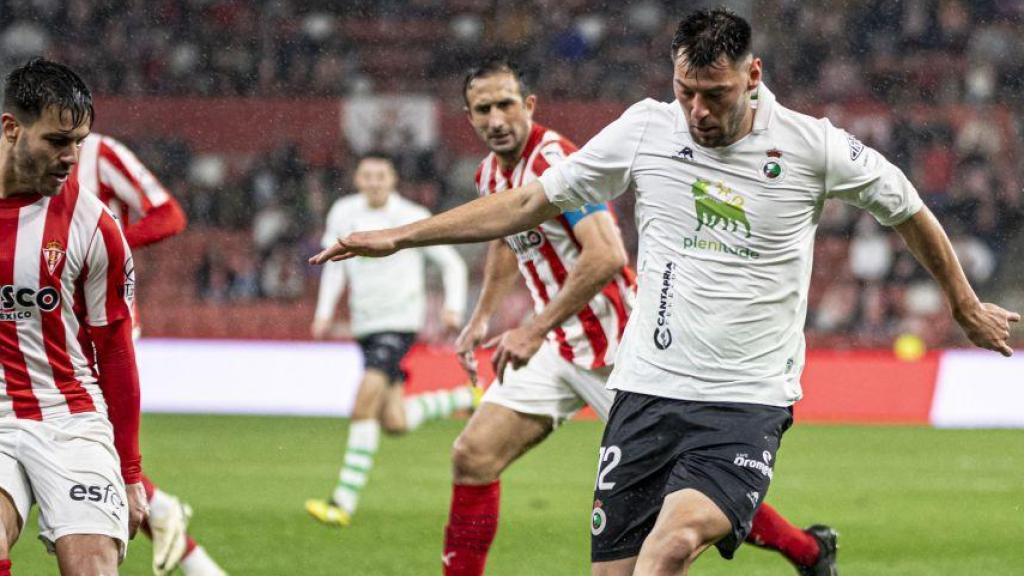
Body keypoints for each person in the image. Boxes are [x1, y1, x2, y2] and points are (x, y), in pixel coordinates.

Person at [311, 10, 1020, 576]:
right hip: (645, 389)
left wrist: (962, 304)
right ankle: (808, 552)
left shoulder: (814, 146)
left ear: (753, 77)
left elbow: (908, 209)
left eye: (714, 95)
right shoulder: (646, 128)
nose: (698, 113)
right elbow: (525, 211)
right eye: (686, 93)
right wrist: (402, 236)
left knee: (670, 546)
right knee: (598, 552)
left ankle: (801, 549)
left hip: (743, 397)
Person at [441, 58, 836, 576]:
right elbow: (511, 243)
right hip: (559, 348)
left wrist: (533, 327)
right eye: (483, 109)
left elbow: (605, 254)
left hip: (620, 351)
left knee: (690, 489)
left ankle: (807, 550)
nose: (496, 119)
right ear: (468, 116)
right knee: (472, 456)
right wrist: (483, 317)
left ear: (529, 105)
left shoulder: (553, 159)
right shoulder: (492, 174)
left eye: (506, 105)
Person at [0, 58, 147, 576]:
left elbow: (117, 349)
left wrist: (130, 473)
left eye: (79, 142)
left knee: (91, 567)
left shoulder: (95, 225)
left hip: (70, 416)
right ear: (11, 128)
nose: (71, 157)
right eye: (58, 141)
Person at [73, 132, 227, 576]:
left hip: (100, 321)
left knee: (88, 446)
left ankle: (161, 510)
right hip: (38, 324)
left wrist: (107, 242)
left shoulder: (100, 152)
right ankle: (180, 535)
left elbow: (169, 215)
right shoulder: (17, 159)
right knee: (86, 450)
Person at [305, 152, 474, 527]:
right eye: (368, 175)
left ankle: (342, 502)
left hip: (399, 323)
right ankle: (467, 398)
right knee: (393, 420)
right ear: (359, 179)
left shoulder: (411, 215)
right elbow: (334, 266)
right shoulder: (344, 211)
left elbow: (451, 264)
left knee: (364, 403)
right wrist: (324, 311)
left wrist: (453, 308)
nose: (375, 181)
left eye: (382, 174)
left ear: (393, 178)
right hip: (365, 324)